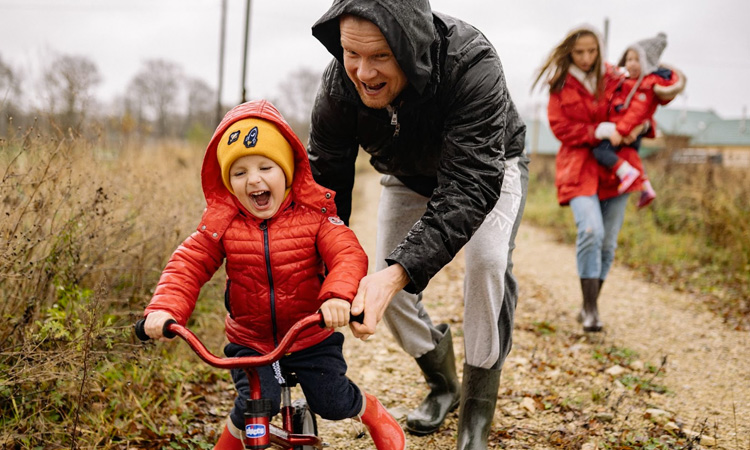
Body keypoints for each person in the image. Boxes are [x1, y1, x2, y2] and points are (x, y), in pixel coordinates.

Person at [307, 1, 528, 448]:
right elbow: (325, 189)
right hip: (406, 175)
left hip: (487, 168)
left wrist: (400, 271)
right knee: (384, 281)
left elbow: (469, 185)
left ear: (410, 48)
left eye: (380, 56)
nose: (363, 73)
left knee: (486, 262)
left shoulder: (472, 63)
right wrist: (327, 271)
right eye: (352, 53)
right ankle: (443, 383)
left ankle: (475, 418)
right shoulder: (338, 85)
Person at [140, 100, 406, 450]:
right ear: (228, 182)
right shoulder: (222, 224)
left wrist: (337, 296)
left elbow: (347, 254)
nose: (254, 180)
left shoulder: (315, 216)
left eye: (266, 166)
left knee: (332, 401)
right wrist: (165, 309)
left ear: (288, 170)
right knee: (253, 406)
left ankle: (370, 410)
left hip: (310, 333)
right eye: (239, 172)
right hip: (251, 339)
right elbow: (187, 265)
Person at [533, 26, 646, 333]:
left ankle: (588, 306)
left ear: (599, 50)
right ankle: (591, 309)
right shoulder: (560, 84)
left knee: (608, 243)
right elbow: (560, 127)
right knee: (591, 230)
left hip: (615, 167)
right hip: (578, 166)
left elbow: (640, 101)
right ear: (570, 51)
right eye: (579, 52)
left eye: (591, 51)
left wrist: (642, 123)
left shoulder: (614, 77)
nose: (585, 58)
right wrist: (595, 131)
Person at [597, 32, 686, 208]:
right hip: (626, 128)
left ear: (647, 63)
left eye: (637, 60)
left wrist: (620, 131)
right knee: (630, 155)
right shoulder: (626, 81)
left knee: (600, 151)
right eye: (629, 59)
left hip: (626, 130)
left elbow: (636, 113)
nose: (631, 64)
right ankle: (645, 186)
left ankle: (626, 173)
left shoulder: (644, 86)